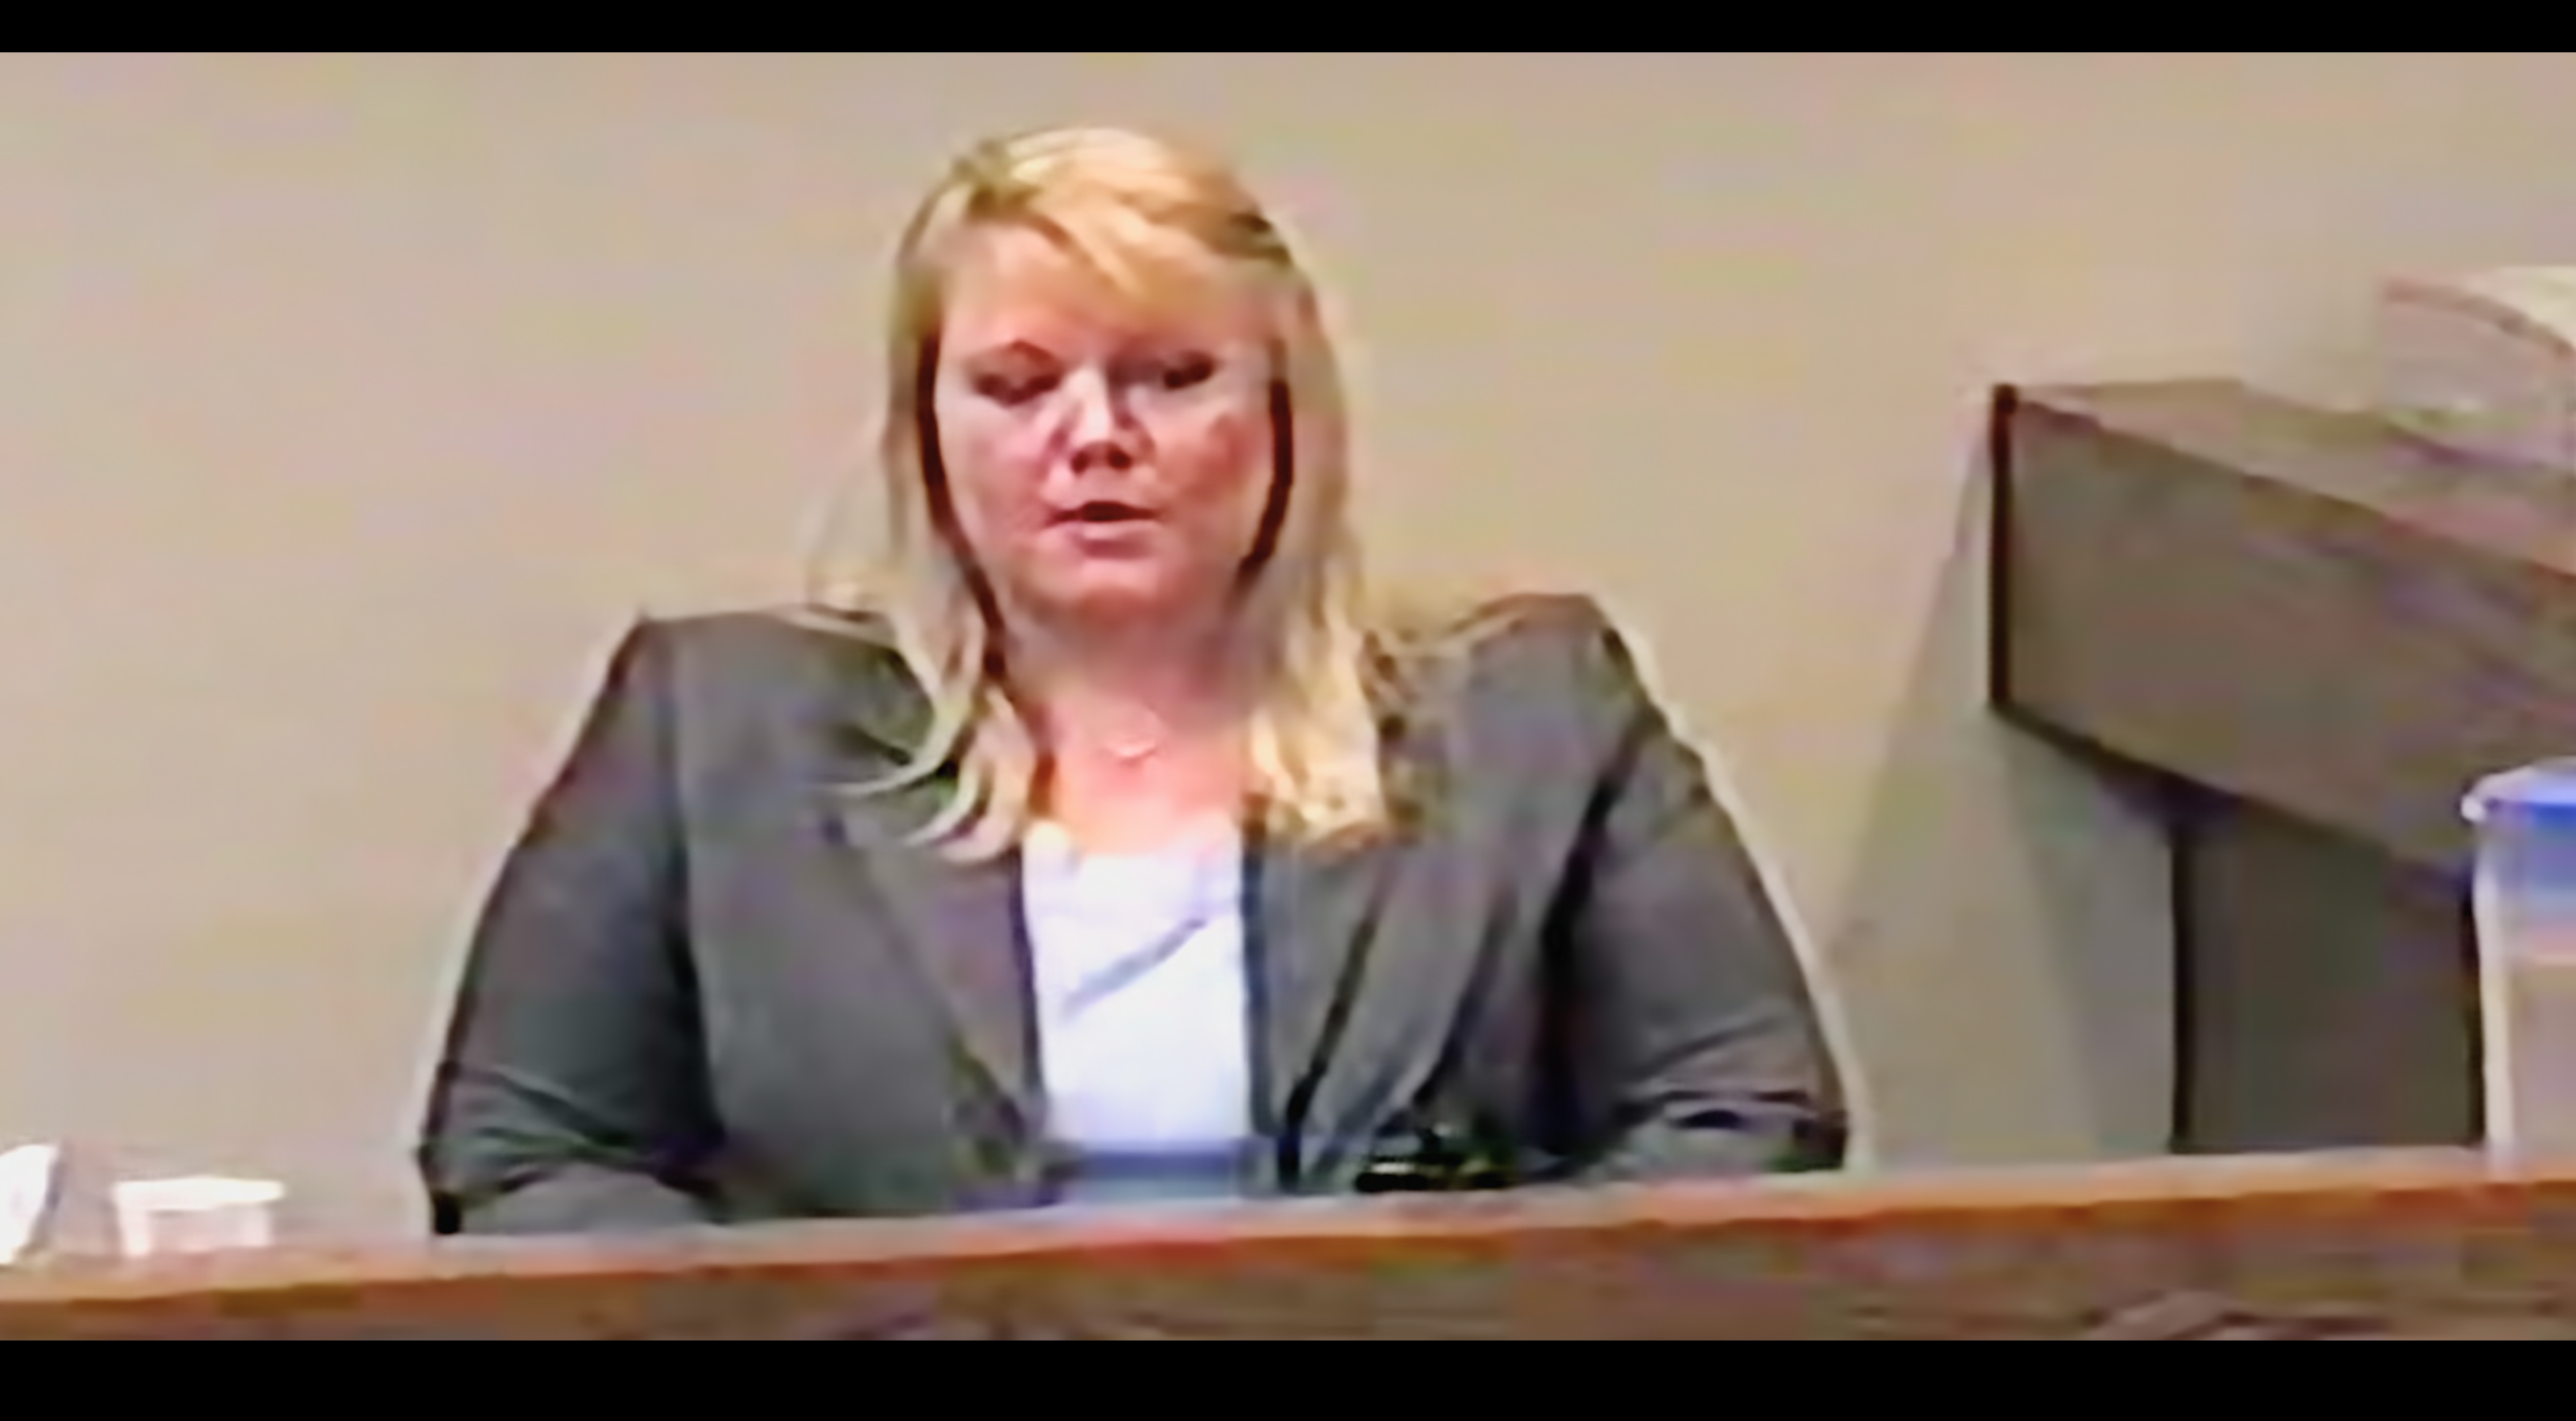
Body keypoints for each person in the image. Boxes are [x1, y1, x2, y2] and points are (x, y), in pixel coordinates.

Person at [415, 125, 1847, 1235]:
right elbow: (527, 1155)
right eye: (1018, 385)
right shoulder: (713, 729)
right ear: (928, 434)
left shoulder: (1532, 718)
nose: (1094, 436)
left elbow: (1744, 1114)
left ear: (1284, 417)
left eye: (1169, 376)